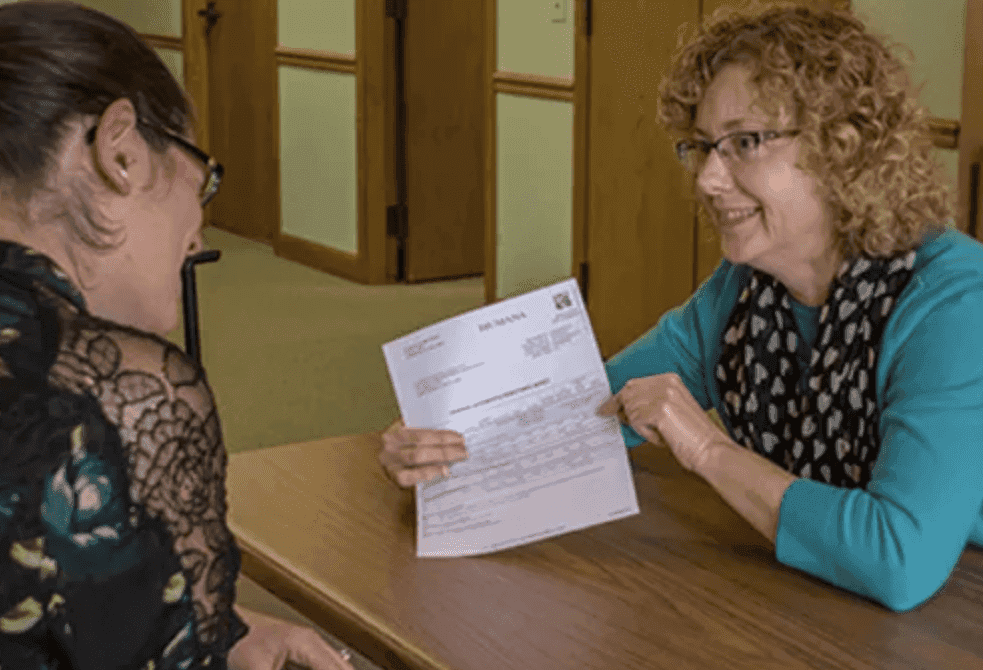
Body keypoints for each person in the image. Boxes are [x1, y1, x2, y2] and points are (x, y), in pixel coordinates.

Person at [380, 2, 983, 613]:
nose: (706, 180)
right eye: (702, 147)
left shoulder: (953, 299)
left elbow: (901, 558)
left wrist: (710, 451)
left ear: (843, 145)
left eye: (745, 142)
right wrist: (448, 446)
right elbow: (590, 407)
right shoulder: (743, 290)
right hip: (838, 592)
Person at [0, 3, 353, 669]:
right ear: (122, 152)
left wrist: (220, 624)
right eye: (205, 176)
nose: (198, 232)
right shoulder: (123, 391)